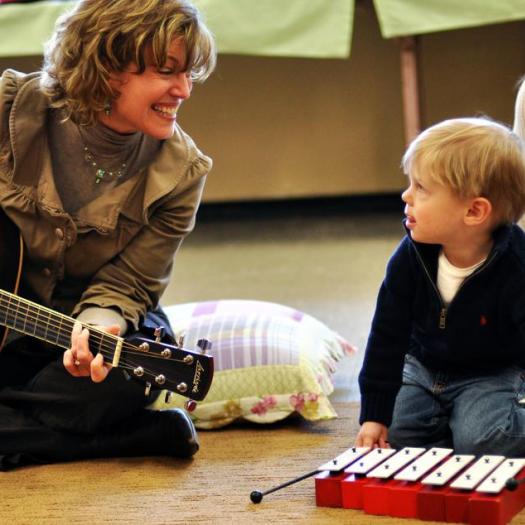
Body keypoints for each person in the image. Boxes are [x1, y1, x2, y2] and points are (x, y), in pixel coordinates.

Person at [0, 0, 216, 470]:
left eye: (187, 74)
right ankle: (132, 437)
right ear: (105, 66)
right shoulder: (8, 109)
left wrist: (98, 327)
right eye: (166, 71)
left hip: (76, 326)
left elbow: (129, 284)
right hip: (8, 334)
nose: (184, 90)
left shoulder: (181, 173)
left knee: (118, 379)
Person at [355, 117, 525, 456]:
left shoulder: (516, 266)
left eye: (421, 188)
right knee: (396, 429)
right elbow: (387, 335)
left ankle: (466, 426)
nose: (406, 195)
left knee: (482, 440)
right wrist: (374, 414)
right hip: (423, 366)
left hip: (488, 373)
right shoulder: (409, 257)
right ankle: (451, 424)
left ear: (474, 211)